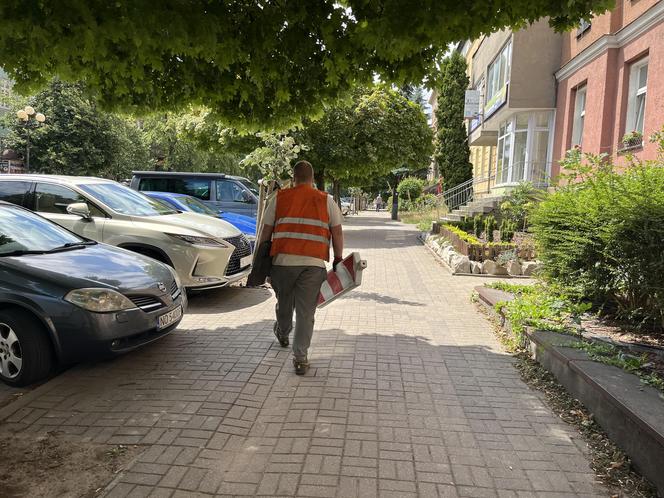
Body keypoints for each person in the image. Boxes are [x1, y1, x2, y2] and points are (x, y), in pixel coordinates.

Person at [257, 161, 344, 375]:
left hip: (282, 264)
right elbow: (337, 232)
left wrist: (260, 260)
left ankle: (283, 332)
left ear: (293, 178)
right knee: (306, 313)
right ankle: (300, 358)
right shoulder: (326, 200)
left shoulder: (279, 198)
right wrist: (338, 258)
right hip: (313, 266)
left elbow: (265, 232)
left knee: (285, 302)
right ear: (312, 179)